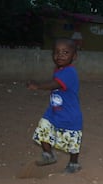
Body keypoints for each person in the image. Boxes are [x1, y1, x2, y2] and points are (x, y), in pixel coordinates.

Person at [27, 38, 83, 173]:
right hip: (54, 111)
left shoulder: (70, 72)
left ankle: (74, 164)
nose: (60, 55)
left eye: (65, 52)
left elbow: (55, 84)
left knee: (72, 141)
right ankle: (48, 154)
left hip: (70, 115)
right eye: (57, 52)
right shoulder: (59, 69)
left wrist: (39, 86)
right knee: (43, 129)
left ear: (74, 56)